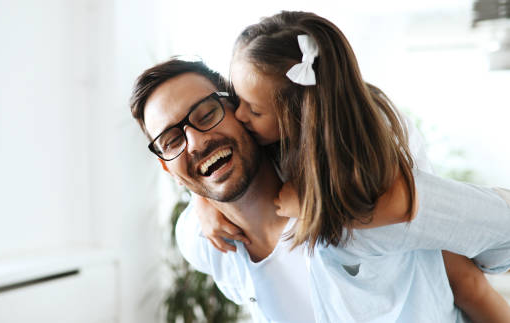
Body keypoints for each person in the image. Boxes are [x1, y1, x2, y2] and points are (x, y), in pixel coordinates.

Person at [191, 11, 510, 322]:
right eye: (236, 98)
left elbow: (466, 239)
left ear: (300, 116)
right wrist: (202, 199)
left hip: (427, 262)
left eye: (255, 111)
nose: (239, 116)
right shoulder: (277, 142)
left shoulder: (377, 166)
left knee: (466, 283)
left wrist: (318, 207)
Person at [130, 58, 472, 322]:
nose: (195, 142)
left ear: (241, 110)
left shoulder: (352, 197)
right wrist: (199, 195)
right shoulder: (201, 243)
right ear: (167, 168)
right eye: (172, 140)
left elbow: (465, 273)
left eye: (206, 114)